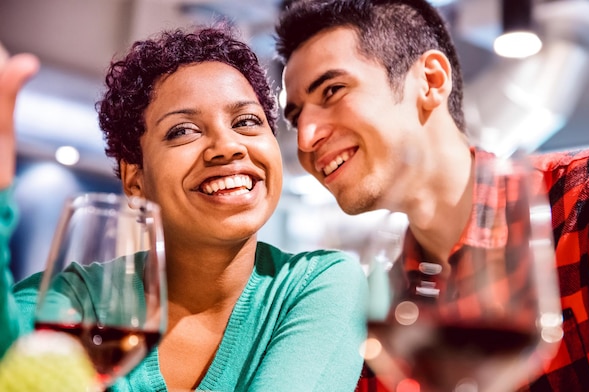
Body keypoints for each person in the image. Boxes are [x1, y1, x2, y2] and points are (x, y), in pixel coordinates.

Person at [274, 0, 589, 391]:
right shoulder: (387, 317)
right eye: (295, 117)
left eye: (332, 90)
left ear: (431, 80)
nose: (305, 138)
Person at [0, 23, 368, 391]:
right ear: (135, 179)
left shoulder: (318, 286)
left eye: (247, 122)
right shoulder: (72, 303)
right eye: (183, 130)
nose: (228, 146)